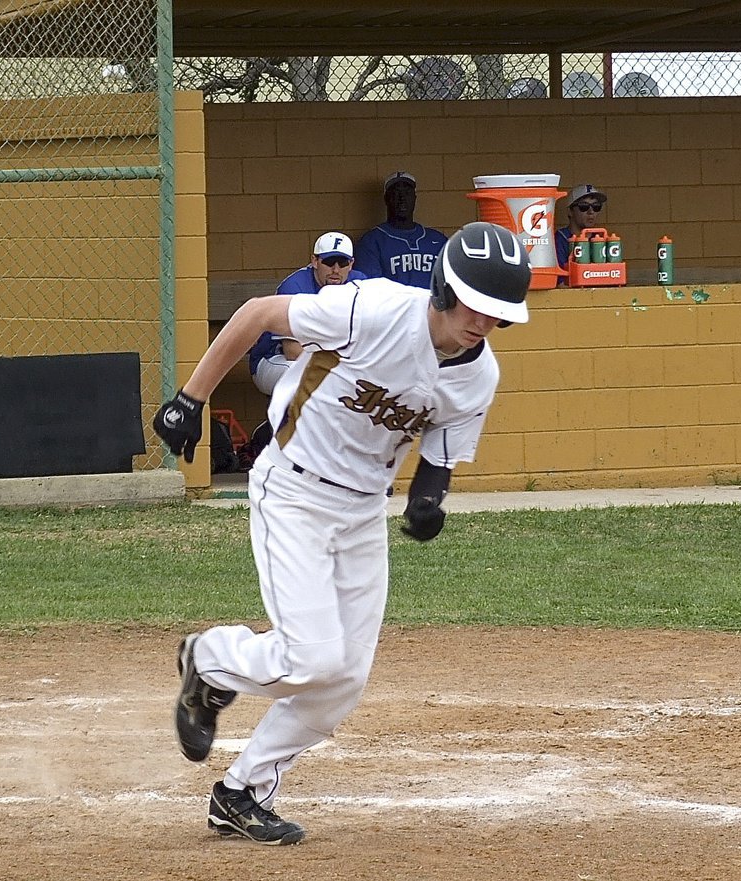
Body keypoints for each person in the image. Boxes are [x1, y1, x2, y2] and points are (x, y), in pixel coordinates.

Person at [152, 221, 531, 845]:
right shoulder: (373, 309)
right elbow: (256, 315)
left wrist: (429, 500)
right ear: (441, 290)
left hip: (361, 511)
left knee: (345, 678)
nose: (482, 324)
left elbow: (441, 448)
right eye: (473, 305)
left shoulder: (477, 375)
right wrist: (190, 398)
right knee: (313, 658)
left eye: (497, 315)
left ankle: (242, 792)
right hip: (294, 487)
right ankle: (210, 661)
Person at [248, 231, 367, 396]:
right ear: (315, 261)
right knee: (308, 379)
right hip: (275, 359)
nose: (336, 269)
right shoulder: (294, 287)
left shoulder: (360, 285)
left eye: (342, 263)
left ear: (351, 264)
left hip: (331, 362)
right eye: (329, 262)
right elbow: (293, 351)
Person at [353, 171, 448, 288]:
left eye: (407, 193)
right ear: (386, 199)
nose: (402, 198)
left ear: (414, 198)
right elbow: (370, 290)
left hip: (432, 305)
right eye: (396, 193)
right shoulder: (372, 241)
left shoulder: (437, 240)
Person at [554, 183, 608, 279]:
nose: (591, 212)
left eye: (596, 206)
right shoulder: (560, 238)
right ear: (570, 211)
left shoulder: (601, 239)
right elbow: (560, 283)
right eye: (584, 206)